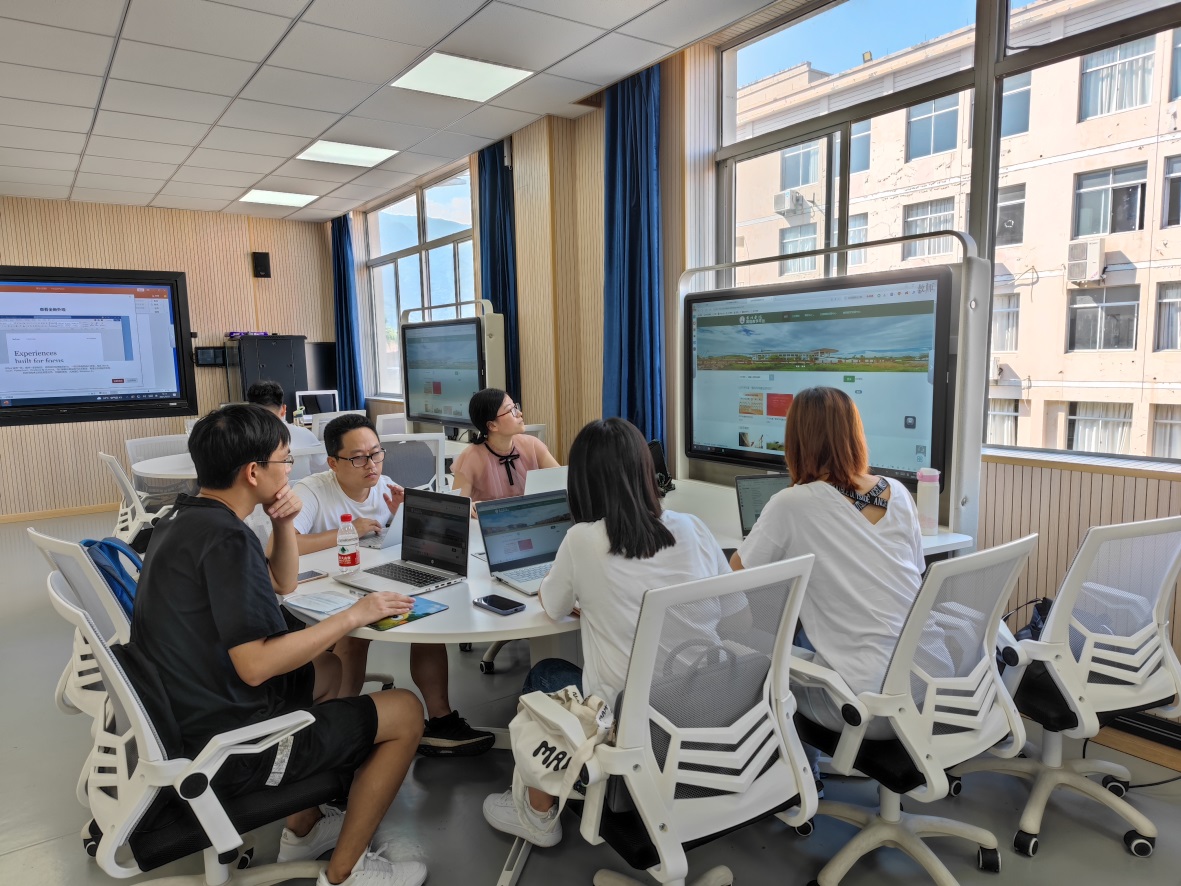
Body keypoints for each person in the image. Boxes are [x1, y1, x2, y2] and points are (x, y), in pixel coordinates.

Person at [131, 404, 427, 886]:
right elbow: (255, 665)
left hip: (189, 712)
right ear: (253, 472)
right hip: (232, 745)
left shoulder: (185, 520)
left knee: (328, 672)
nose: (289, 471)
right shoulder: (227, 540)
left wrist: (284, 522)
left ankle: (303, 826)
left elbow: (282, 584)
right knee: (407, 712)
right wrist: (355, 615)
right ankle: (345, 872)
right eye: (285, 461)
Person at [482, 417, 733, 848]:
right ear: (644, 470)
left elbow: (553, 606)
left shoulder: (581, 540)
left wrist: (589, 594)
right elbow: (734, 611)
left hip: (627, 723)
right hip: (706, 707)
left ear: (582, 482)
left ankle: (537, 814)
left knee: (545, 675)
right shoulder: (693, 527)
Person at [292, 412, 494, 757]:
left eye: (376, 453)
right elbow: (286, 545)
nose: (371, 465)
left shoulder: (384, 486)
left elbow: (401, 543)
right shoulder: (312, 491)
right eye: (358, 458)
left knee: (424, 618)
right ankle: (336, 736)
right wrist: (348, 531)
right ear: (333, 462)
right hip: (325, 591)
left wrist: (404, 513)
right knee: (354, 634)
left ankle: (441, 721)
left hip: (373, 577)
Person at [730, 386, 925, 739]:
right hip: (926, 686)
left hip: (862, 702)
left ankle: (797, 769)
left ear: (797, 442)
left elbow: (736, 575)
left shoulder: (792, 503)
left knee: (754, 652)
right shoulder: (897, 492)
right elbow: (912, 571)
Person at [450, 388, 560, 504]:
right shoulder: (471, 457)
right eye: (511, 410)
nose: (519, 413)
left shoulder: (532, 445)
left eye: (516, 407)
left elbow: (562, 482)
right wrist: (471, 506)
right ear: (492, 425)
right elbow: (458, 506)